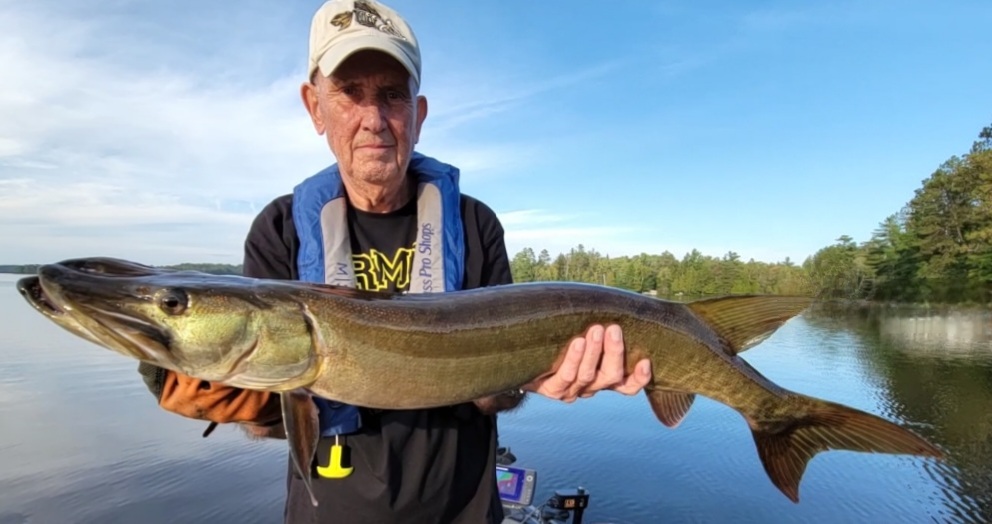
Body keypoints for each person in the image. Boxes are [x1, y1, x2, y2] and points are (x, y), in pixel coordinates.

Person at [138, 1, 652, 522]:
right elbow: (273, 423)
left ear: (418, 113)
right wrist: (248, 403)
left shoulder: (475, 225)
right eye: (349, 94)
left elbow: (498, 398)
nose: (373, 119)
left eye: (391, 96)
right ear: (315, 107)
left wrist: (532, 375)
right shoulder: (280, 229)